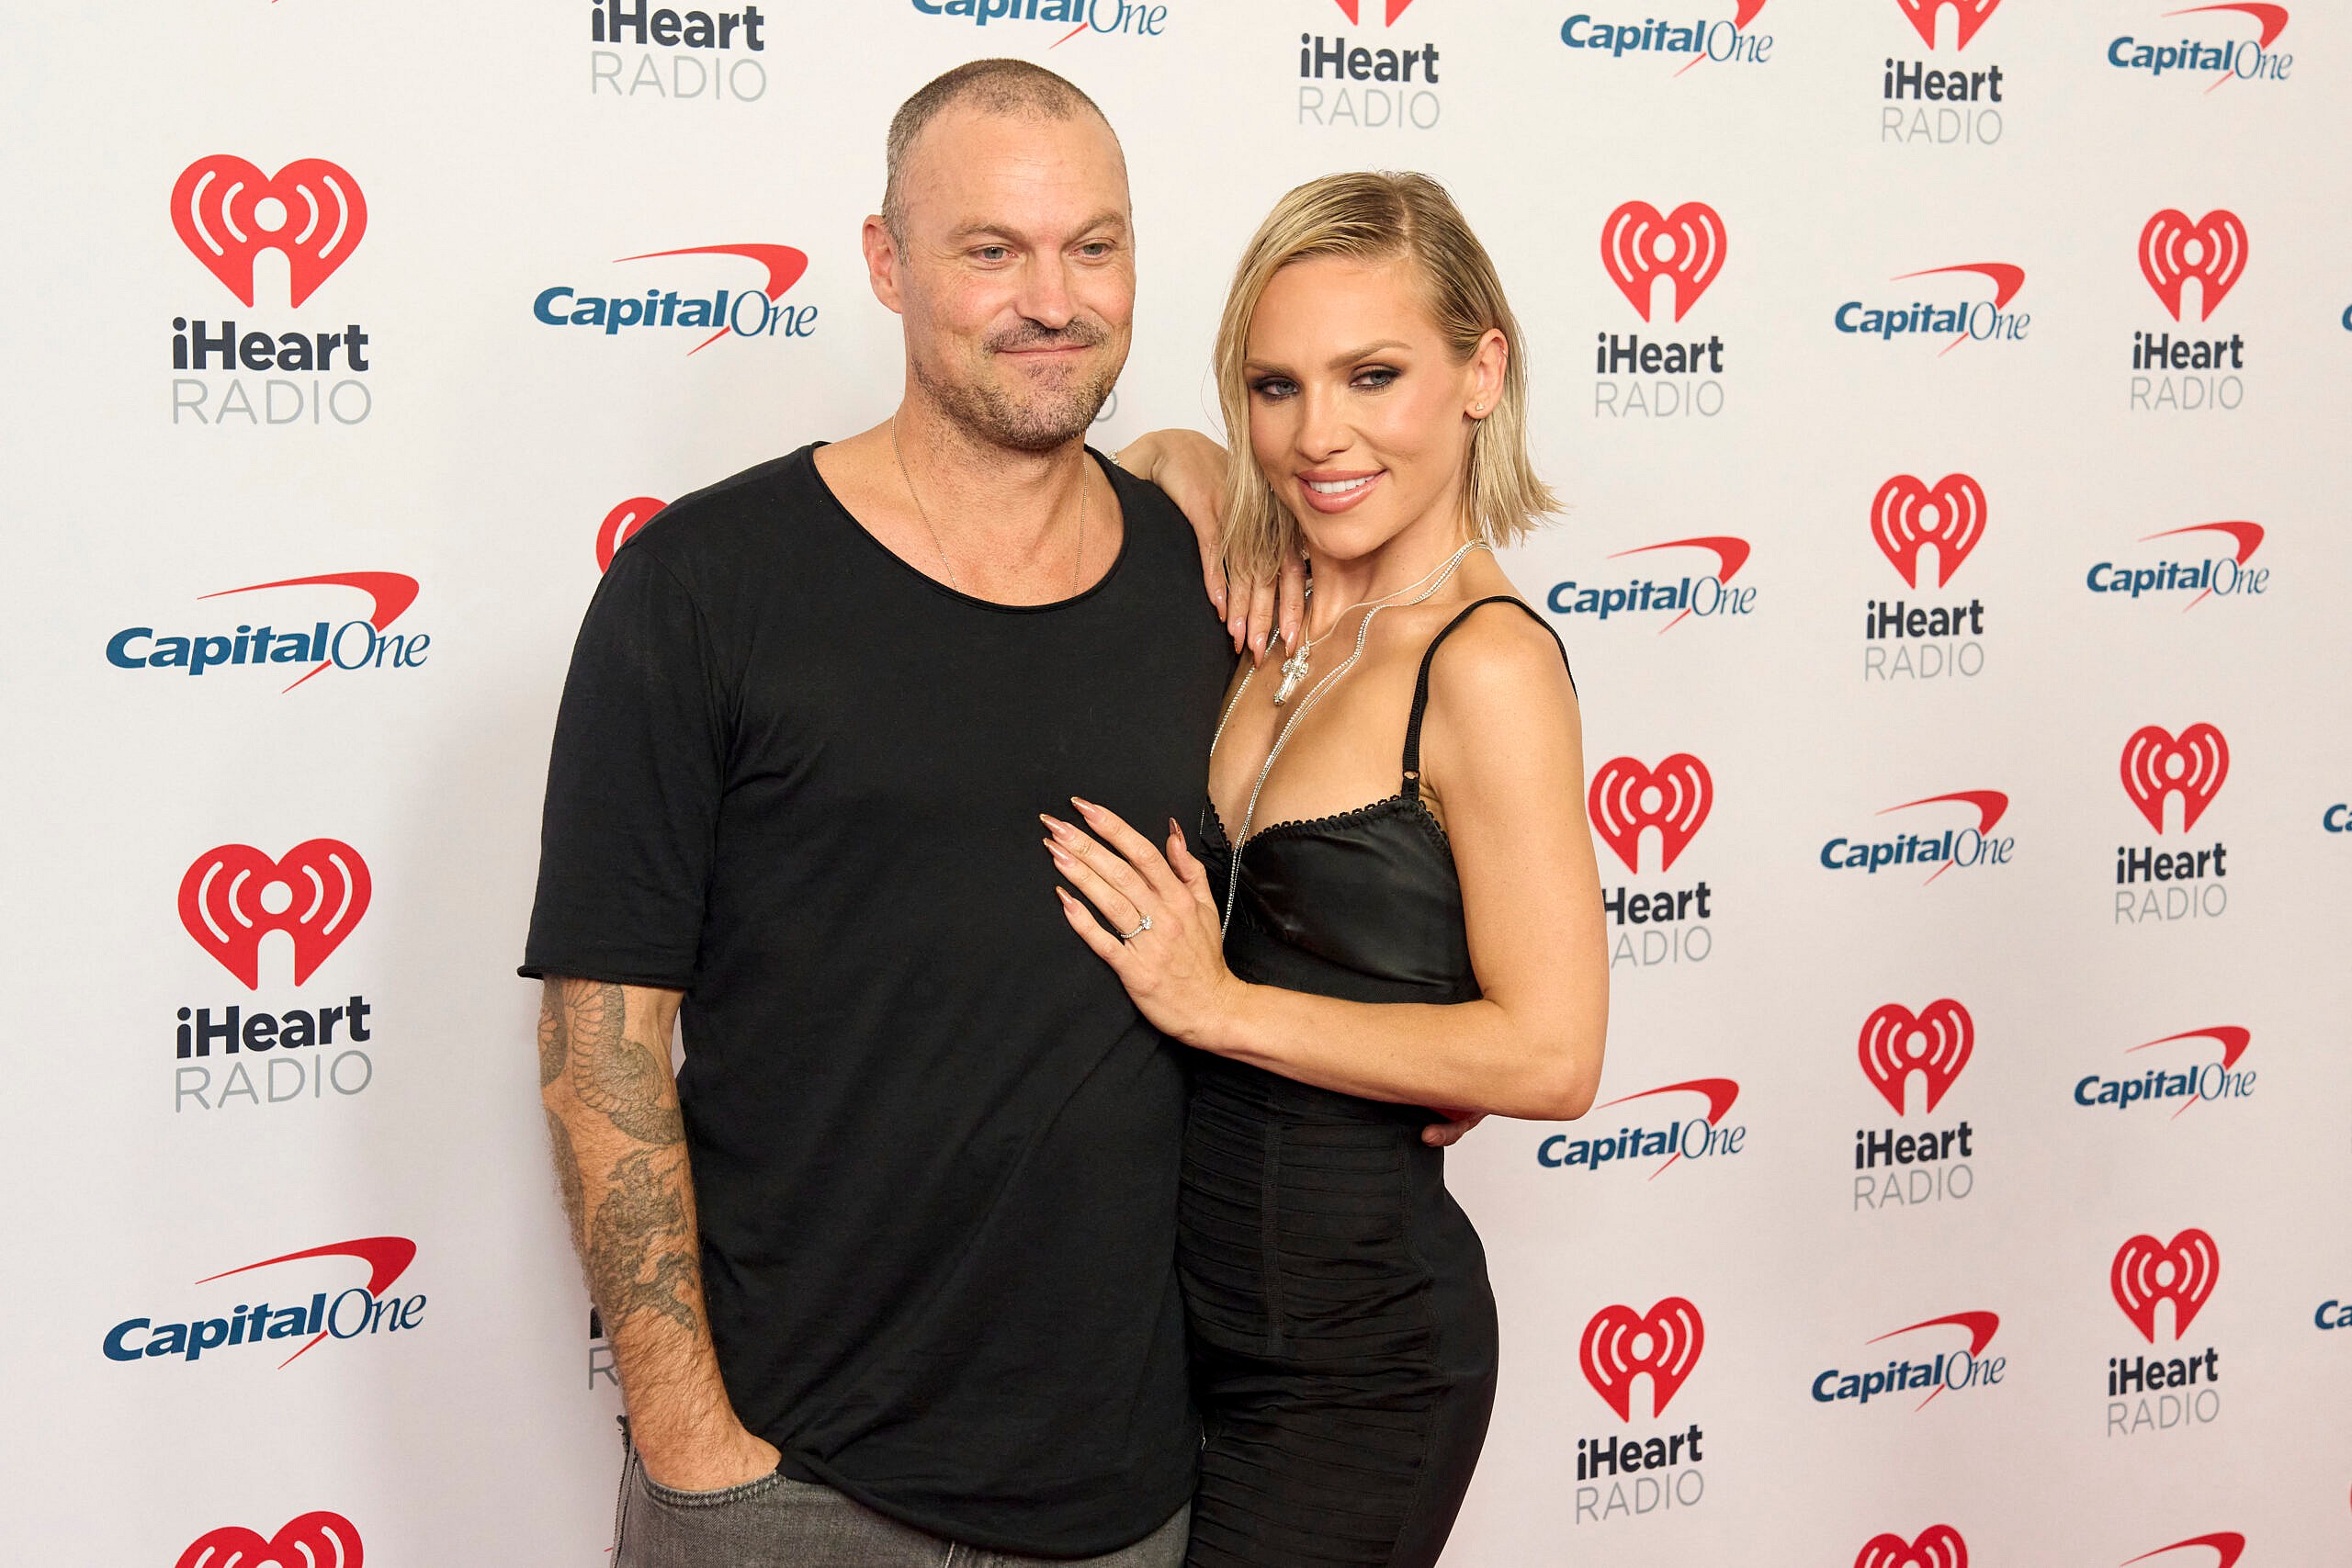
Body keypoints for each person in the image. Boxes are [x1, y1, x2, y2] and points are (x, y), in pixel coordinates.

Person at [523, 59, 1453, 1567]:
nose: (1054, 299)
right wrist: (699, 1455)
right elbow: (598, 1045)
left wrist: (1411, 1051)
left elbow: (1328, 899)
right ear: (886, 263)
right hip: (792, 1488)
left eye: (1094, 246)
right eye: (990, 250)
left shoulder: (1213, 579)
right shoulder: (702, 588)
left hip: (1128, 1495)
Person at [1043, 172, 1610, 1568]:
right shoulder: (1269, 592)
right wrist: (1185, 452)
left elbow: (1553, 1057)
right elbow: (1167, 463)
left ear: (1484, 372)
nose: (1321, 435)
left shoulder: (1487, 666)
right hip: (1169, 1334)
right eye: (1274, 386)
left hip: (1357, 1358)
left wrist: (1219, 1004)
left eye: (1374, 375)